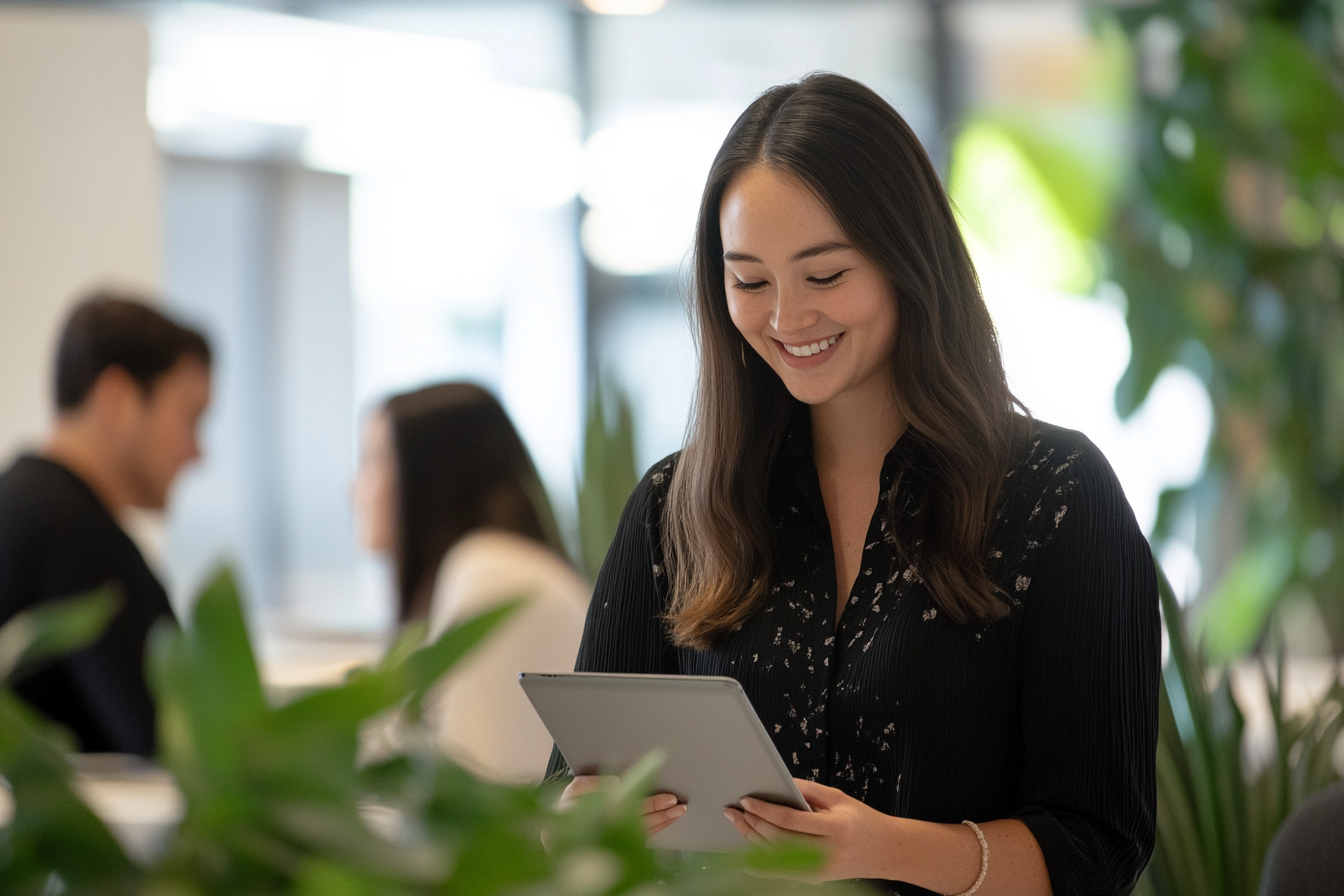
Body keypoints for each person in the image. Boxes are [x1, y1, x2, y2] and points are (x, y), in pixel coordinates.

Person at [552, 73, 1159, 896]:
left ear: (908, 259)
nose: (786, 317)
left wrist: (884, 850)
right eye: (750, 281)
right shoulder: (676, 507)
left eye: (825, 275)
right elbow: (565, 798)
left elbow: (1099, 846)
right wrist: (581, 825)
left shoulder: (1056, 496)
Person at [0, 293, 212, 757]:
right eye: (190, 419)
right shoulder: (67, 529)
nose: (198, 453)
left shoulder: (27, 502)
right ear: (116, 398)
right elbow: (169, 745)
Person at [353, 382, 589, 783]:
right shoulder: (482, 569)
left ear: (429, 474)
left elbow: (470, 789)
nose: (354, 489)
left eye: (373, 460)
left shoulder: (492, 574)